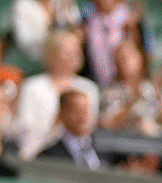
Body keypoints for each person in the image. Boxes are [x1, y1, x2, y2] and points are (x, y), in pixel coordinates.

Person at [13, 29, 100, 160]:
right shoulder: (32, 87)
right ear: (52, 54)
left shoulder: (89, 88)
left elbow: (88, 130)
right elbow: (25, 127)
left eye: (76, 50)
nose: (73, 55)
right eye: (67, 51)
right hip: (37, 154)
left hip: (76, 158)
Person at [9, 0, 82, 62]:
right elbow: (24, 41)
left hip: (64, 57)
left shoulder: (63, 0)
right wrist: (51, 22)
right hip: (33, 58)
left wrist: (69, 14)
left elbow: (76, 32)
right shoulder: (23, 4)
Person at [37, 89, 109, 169]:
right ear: (62, 114)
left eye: (86, 109)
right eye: (76, 110)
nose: (82, 116)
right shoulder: (50, 155)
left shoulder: (103, 148)